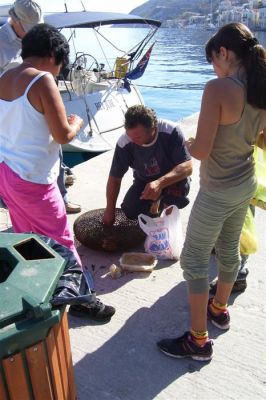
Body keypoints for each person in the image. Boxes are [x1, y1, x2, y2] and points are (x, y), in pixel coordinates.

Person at [157, 23, 266, 361]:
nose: (214, 70)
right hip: (245, 185)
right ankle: (218, 308)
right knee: (230, 250)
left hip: (218, 189)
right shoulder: (261, 86)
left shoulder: (219, 89)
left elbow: (201, 151)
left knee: (193, 260)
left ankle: (198, 341)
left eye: (214, 62)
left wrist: (189, 141)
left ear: (223, 53)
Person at [0, 23, 115, 321]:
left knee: (28, 236)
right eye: (60, 62)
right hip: (34, 179)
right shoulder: (42, 81)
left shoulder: (5, 76)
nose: (59, 69)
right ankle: (81, 299)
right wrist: (76, 122)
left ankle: (39, 287)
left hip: (8, 173)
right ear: (52, 54)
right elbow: (63, 134)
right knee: (61, 240)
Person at [0, 0, 81, 214]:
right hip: (15, 112)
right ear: (13, 19)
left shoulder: (37, 48)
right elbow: (65, 135)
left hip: (38, 105)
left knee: (54, 151)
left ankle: (60, 197)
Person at [103, 105, 192, 226]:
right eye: (130, 136)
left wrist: (160, 183)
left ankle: (165, 205)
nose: (133, 140)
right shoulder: (125, 142)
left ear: (153, 128)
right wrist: (109, 210)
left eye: (138, 137)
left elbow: (187, 167)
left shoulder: (170, 131)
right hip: (144, 181)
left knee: (170, 208)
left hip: (173, 180)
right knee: (130, 211)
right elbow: (115, 177)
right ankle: (155, 203)